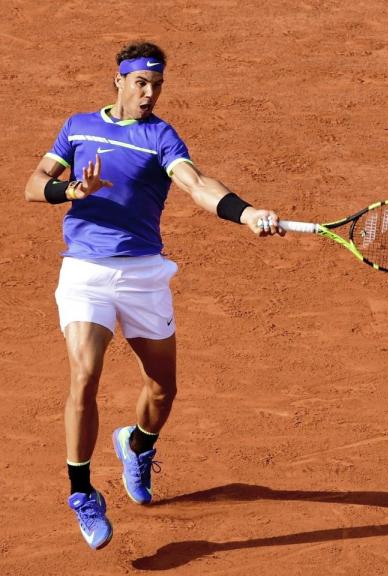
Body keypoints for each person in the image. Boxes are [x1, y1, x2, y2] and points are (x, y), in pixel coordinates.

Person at [24, 41, 284, 550]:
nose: (149, 94)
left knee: (163, 388)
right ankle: (82, 493)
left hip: (144, 274)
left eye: (157, 85)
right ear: (118, 81)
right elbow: (34, 185)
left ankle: (137, 444)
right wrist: (72, 191)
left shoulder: (160, 136)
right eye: (141, 83)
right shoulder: (77, 127)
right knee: (85, 373)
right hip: (85, 270)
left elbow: (195, 183)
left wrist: (246, 212)